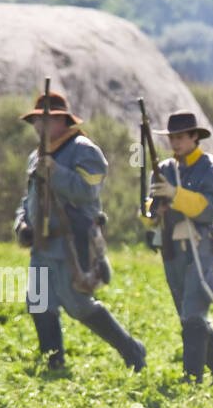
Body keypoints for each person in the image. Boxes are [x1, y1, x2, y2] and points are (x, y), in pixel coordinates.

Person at [13, 90, 144, 372]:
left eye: (46, 119)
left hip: (71, 242)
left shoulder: (84, 150)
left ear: (64, 121)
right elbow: (28, 199)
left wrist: (56, 172)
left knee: (78, 305)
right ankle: (54, 361)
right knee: (38, 302)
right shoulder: (35, 156)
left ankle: (131, 350)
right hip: (42, 243)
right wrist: (22, 223)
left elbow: (89, 190)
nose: (40, 125)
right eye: (37, 120)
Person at [143, 111, 213, 383]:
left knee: (194, 310)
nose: (175, 142)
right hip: (171, 247)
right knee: (188, 314)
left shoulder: (212, 168)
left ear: (195, 136)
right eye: (172, 137)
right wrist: (153, 209)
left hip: (201, 246)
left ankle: (191, 379)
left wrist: (175, 194)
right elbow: (148, 209)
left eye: (181, 136)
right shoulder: (165, 170)